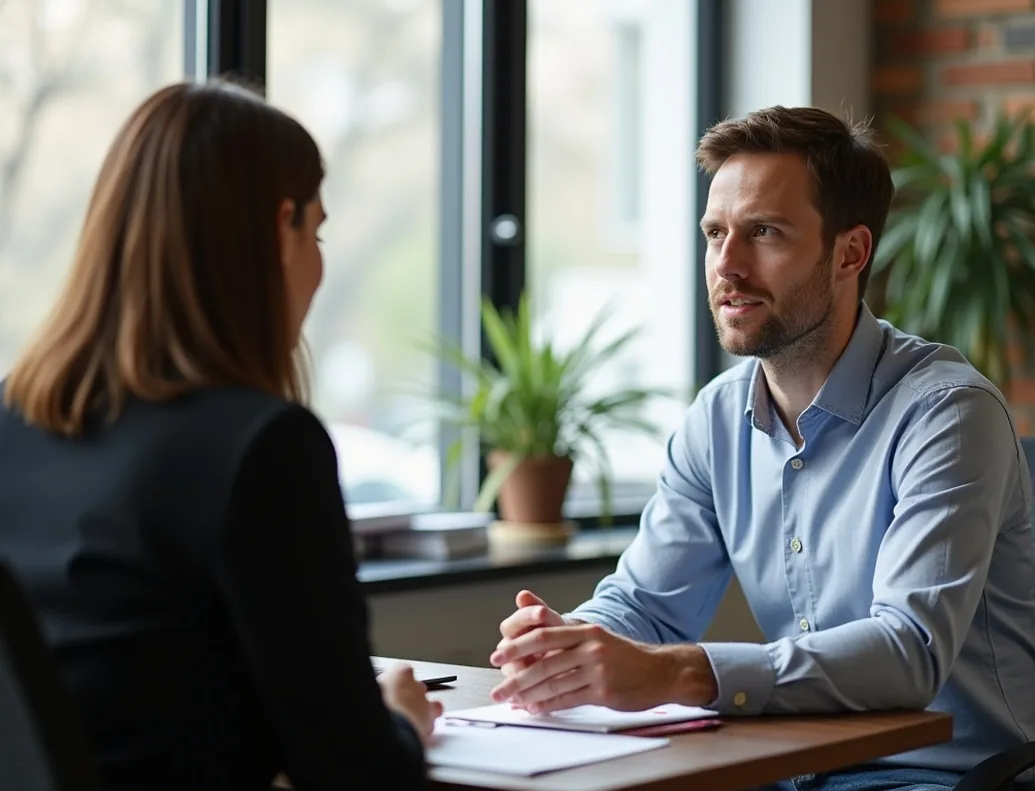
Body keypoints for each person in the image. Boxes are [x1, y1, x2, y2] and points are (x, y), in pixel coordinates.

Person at [490, 106, 1035, 791]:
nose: (727, 265)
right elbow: (646, 603)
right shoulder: (715, 417)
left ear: (849, 252)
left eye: (764, 233)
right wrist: (567, 644)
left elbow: (908, 650)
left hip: (941, 776)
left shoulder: (947, 414)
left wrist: (675, 671)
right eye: (715, 233)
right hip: (783, 765)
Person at [0, 80, 441, 790]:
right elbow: (353, 770)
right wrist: (401, 721)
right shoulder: (263, 448)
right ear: (280, 226)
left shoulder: (9, 421)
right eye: (317, 231)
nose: (319, 263)